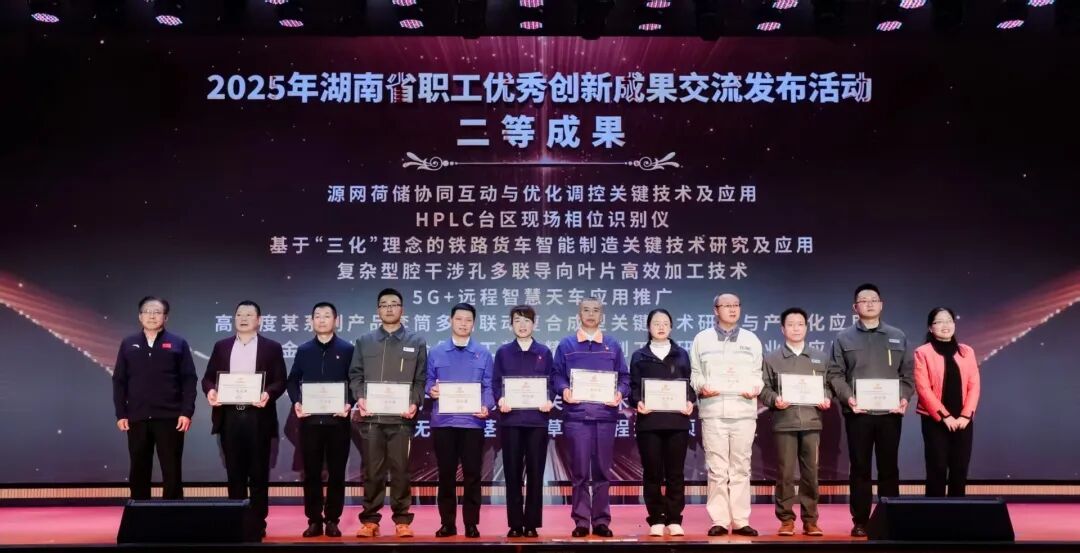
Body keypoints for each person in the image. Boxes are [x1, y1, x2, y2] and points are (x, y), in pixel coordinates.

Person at [826, 283, 914, 537]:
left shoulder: (897, 335)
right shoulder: (844, 338)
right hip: (859, 414)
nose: (870, 303)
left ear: (881, 304)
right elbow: (835, 374)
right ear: (855, 307)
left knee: (889, 468)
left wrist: (904, 398)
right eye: (864, 300)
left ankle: (890, 518)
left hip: (890, 413)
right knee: (860, 468)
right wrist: (849, 398)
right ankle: (861, 521)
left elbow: (908, 374)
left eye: (874, 299)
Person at [202, 300, 288, 538]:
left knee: (258, 473)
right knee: (234, 472)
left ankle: (258, 522)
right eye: (239, 314)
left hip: (258, 416)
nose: (243, 318)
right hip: (229, 416)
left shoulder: (272, 347)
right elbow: (208, 378)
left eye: (249, 314)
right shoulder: (222, 346)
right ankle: (236, 520)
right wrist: (211, 391)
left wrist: (268, 393)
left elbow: (280, 380)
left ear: (259, 320)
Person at [349, 288, 427, 538]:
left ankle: (402, 519)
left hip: (402, 419)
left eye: (394, 304)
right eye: (384, 304)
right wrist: (360, 397)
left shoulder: (416, 341)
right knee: (373, 472)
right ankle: (370, 520)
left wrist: (415, 402)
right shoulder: (364, 341)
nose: (389, 308)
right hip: (372, 419)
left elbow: (420, 380)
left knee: (401, 471)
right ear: (378, 310)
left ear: (402, 309)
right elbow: (355, 375)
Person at [552, 297, 630, 538]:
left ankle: (601, 520)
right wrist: (564, 389)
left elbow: (625, 378)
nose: (590, 314)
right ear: (579, 314)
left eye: (595, 310)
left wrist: (619, 393)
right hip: (577, 418)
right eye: (586, 310)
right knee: (579, 473)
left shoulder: (612, 345)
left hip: (605, 417)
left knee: (602, 472)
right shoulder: (566, 344)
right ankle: (581, 521)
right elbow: (556, 375)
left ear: (601, 315)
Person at [690, 293, 763, 537]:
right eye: (727, 305)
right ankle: (719, 520)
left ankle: (741, 520)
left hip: (743, 411)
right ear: (715, 310)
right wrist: (702, 386)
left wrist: (755, 387)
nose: (732, 309)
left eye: (736, 305)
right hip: (713, 411)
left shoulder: (751, 340)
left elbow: (757, 374)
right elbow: (695, 373)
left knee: (741, 467)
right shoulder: (702, 339)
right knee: (717, 468)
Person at [112, 296, 197, 500]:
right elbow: (119, 380)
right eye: (147, 311)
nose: (152, 316)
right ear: (140, 316)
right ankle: (140, 513)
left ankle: (173, 514)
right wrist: (121, 413)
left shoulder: (178, 343)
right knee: (139, 468)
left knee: (172, 469)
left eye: (157, 312)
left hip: (170, 417)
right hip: (137, 417)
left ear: (165, 317)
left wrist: (186, 412)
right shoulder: (128, 343)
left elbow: (189, 379)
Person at [758, 307, 831, 537]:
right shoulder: (772, 358)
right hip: (784, 422)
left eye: (800, 324)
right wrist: (774, 399)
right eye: (790, 325)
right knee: (785, 473)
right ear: (782, 329)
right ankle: (786, 519)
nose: (796, 329)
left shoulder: (820, 357)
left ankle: (810, 520)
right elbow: (764, 388)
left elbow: (829, 385)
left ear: (807, 327)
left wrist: (826, 397)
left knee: (811, 473)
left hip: (812, 421)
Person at [425, 303, 494, 538]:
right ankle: (447, 523)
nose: (463, 324)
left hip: (472, 423)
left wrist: (486, 405)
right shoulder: (436, 352)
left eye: (468, 320)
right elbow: (428, 380)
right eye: (459, 319)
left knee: (473, 475)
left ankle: (471, 523)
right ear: (450, 321)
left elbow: (489, 386)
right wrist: (431, 390)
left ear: (474, 325)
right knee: (446, 475)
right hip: (444, 423)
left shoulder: (483, 353)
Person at [286, 302, 353, 538]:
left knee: (337, 473)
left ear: (336, 320)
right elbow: (292, 380)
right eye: (317, 316)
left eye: (327, 316)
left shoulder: (347, 349)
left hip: (338, 422)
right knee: (311, 473)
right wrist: (297, 401)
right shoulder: (304, 350)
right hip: (311, 422)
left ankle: (332, 519)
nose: (322, 320)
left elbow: (356, 381)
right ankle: (314, 520)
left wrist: (350, 402)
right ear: (311, 321)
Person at [629, 308, 695, 537]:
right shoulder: (639, 356)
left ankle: (675, 518)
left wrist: (690, 400)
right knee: (652, 472)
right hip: (649, 422)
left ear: (671, 327)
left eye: (665, 322)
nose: (661, 326)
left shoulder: (682, 354)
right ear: (648, 327)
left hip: (677, 422)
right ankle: (656, 518)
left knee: (675, 473)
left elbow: (690, 385)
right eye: (656, 323)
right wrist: (637, 402)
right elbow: (633, 388)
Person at [493, 305, 554, 538]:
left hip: (537, 421)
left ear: (534, 324)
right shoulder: (503, 352)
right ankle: (515, 523)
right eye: (517, 320)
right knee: (512, 473)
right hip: (511, 421)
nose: (522, 325)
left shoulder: (544, 352)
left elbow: (551, 382)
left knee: (536, 474)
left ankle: (532, 524)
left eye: (527, 320)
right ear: (511, 325)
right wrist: (500, 399)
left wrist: (549, 399)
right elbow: (496, 383)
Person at [914, 307, 981, 498]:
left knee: (960, 468)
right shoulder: (922, 352)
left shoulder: (967, 351)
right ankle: (934, 512)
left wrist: (965, 416)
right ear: (930, 327)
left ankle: (957, 512)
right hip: (935, 421)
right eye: (939, 321)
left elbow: (974, 385)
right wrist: (945, 417)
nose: (945, 325)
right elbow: (923, 388)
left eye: (949, 320)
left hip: (963, 421)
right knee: (937, 468)